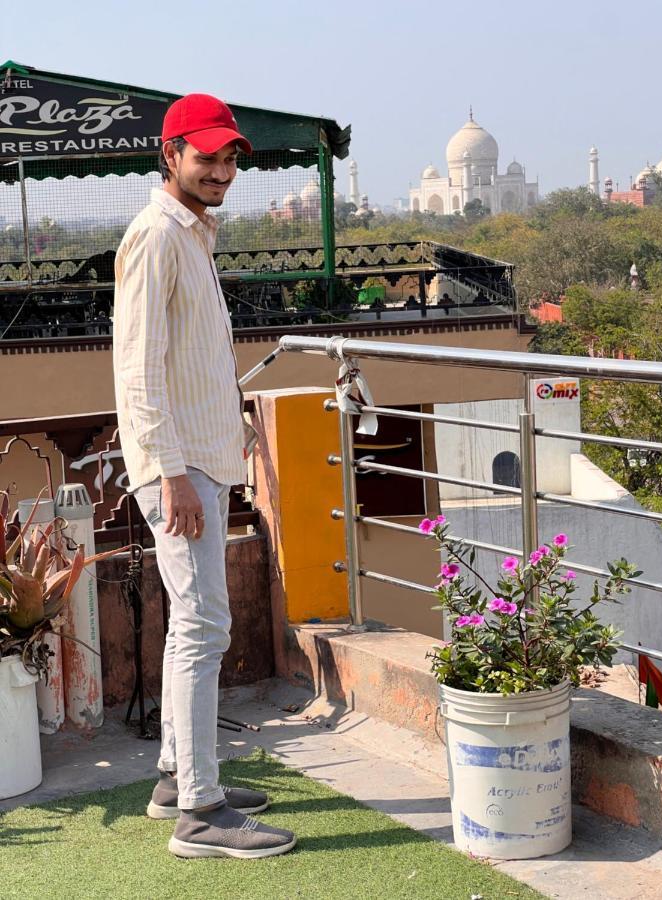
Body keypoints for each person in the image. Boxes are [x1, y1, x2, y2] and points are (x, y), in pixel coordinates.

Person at [113, 93, 296, 860]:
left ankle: (172, 779)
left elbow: (188, 361)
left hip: (199, 458)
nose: (221, 170)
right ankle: (201, 812)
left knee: (194, 623)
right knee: (203, 627)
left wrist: (236, 424)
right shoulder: (157, 236)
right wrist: (171, 474)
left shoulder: (193, 234)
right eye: (207, 157)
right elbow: (138, 369)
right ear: (171, 155)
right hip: (177, 468)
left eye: (229, 159)